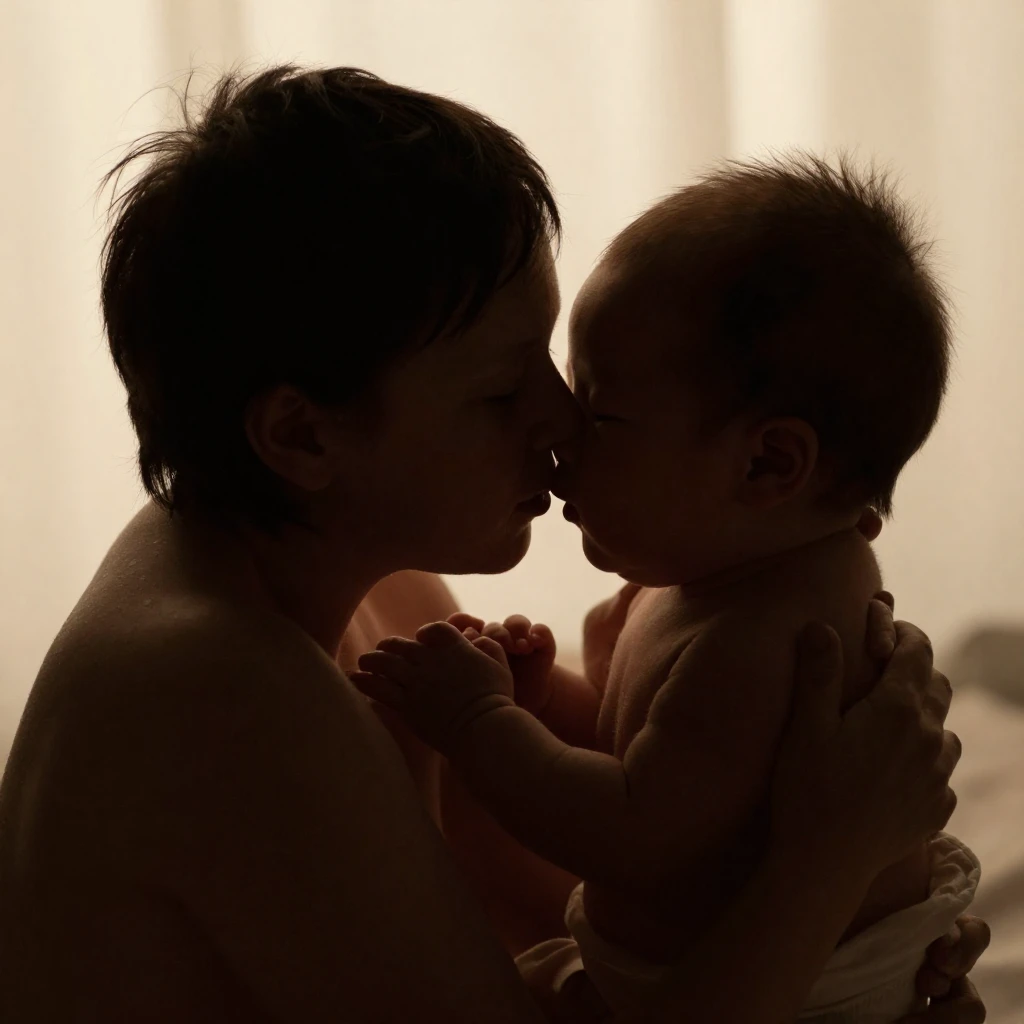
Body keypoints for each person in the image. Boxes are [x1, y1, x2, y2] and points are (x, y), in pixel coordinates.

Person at [0, 66, 985, 1023]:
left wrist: (867, 934)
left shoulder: (357, 577)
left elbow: (590, 905)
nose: (562, 419)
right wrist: (827, 862)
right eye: (500, 387)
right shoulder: (216, 687)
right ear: (303, 436)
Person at [351, 156, 984, 1022]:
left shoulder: (767, 641)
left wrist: (477, 724)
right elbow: (647, 751)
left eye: (599, 413)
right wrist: (548, 705)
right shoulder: (706, 582)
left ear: (768, 463)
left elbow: (631, 834)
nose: (563, 432)